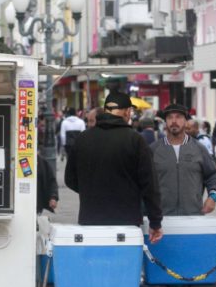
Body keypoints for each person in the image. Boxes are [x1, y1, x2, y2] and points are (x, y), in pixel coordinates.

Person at [65, 91, 163, 243]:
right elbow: (150, 185)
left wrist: (92, 189)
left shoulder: (83, 139)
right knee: (125, 266)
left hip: (90, 220)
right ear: (127, 112)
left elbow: (69, 179)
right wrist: (155, 222)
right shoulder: (135, 140)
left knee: (94, 265)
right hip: (126, 223)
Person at [151, 106, 216, 215]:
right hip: (161, 218)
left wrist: (213, 197)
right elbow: (142, 180)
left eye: (178, 117)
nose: (174, 121)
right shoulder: (153, 150)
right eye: (170, 118)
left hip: (193, 215)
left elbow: (213, 176)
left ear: (186, 121)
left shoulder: (199, 149)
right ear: (165, 122)